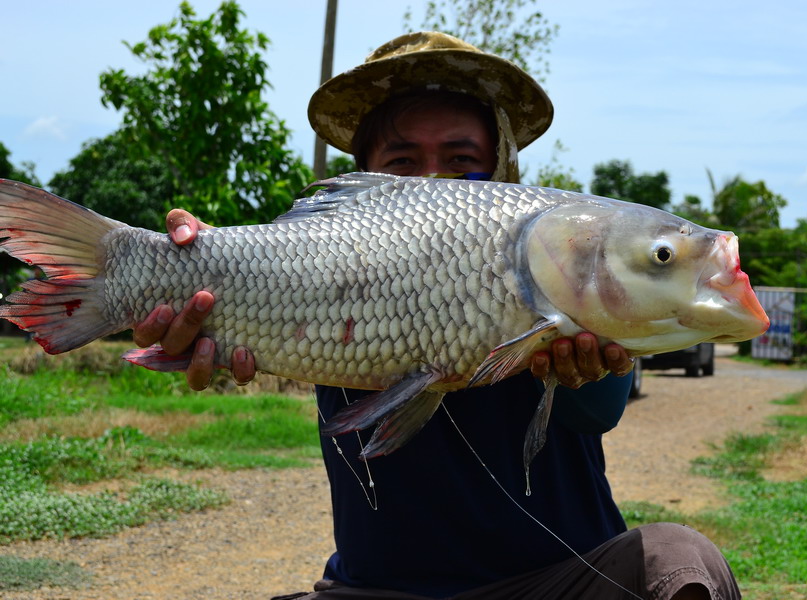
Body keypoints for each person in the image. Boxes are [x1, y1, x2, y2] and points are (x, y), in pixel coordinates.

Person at [134, 32, 741, 600]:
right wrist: (193, 280)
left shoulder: (567, 257)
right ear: (361, 179)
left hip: (555, 582)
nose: (432, 181)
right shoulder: (319, 259)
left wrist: (584, 362)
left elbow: (600, 411)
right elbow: (246, 273)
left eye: (460, 159)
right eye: (402, 162)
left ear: (501, 171)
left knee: (681, 561)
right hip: (377, 589)